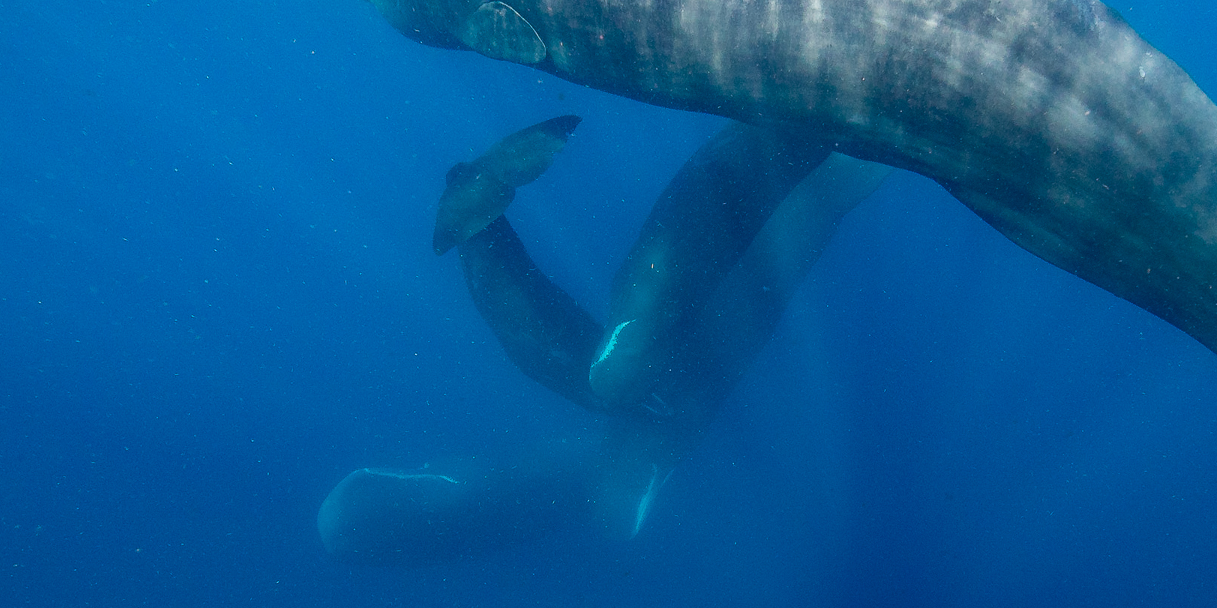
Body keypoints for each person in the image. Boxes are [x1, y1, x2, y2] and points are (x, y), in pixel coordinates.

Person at [317, 116, 891, 563]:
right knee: (630, 374)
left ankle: (481, 223)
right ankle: (481, 222)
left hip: (661, 383)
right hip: (666, 381)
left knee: (625, 374)